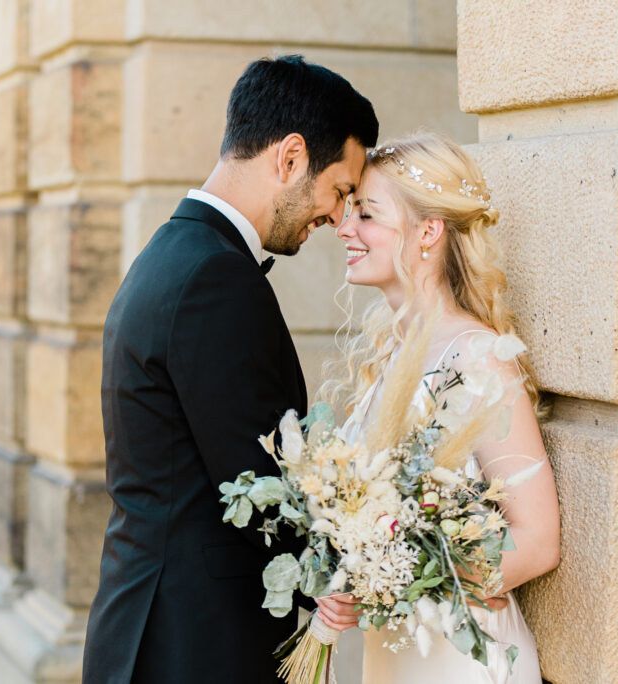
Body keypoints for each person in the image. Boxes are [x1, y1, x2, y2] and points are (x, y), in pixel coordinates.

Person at [82, 55, 379, 683]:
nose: (337, 217)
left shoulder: (173, 254)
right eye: (339, 190)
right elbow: (259, 485)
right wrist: (374, 552)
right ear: (290, 157)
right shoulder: (214, 278)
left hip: (156, 630)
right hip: (194, 648)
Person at [328, 133, 561, 683]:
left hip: (463, 661)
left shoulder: (478, 358)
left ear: (428, 232)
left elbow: (538, 541)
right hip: (393, 657)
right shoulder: (390, 358)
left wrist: (391, 584)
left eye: (366, 214)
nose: (344, 228)